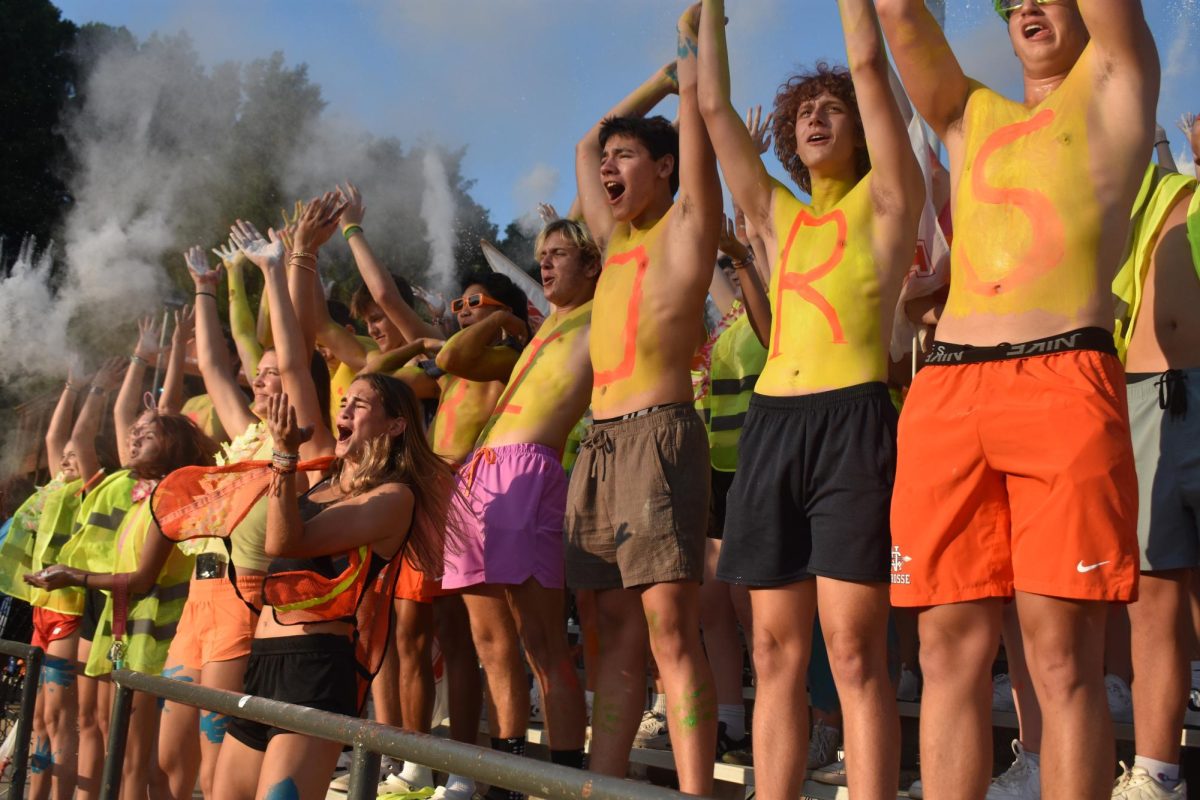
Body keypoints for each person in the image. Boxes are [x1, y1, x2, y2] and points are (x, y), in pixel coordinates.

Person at [875, 0, 1159, 797]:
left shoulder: (1114, 78)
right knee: (944, 653)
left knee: (1063, 654)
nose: (1029, 5)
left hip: (1063, 374)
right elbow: (898, 17)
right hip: (950, 389)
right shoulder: (970, 112)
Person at [697, 2, 922, 797]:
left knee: (855, 650)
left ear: (861, 131)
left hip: (853, 422)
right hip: (772, 430)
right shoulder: (776, 215)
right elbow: (716, 109)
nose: (817, 116)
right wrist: (711, 21)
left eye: (832, 110)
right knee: (772, 653)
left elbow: (869, 69)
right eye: (803, 112)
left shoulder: (889, 201)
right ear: (789, 139)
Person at [568, 4, 722, 791]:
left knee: (668, 625)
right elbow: (582, 142)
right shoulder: (612, 242)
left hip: (661, 431)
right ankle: (602, 782)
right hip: (598, 444)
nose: (607, 167)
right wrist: (653, 84)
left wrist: (689, 60)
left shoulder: (687, 227)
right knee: (611, 632)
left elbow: (697, 118)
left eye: (626, 156)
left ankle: (695, 789)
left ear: (663, 168)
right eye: (608, 160)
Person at [435, 217, 598, 786]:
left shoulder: (599, 315)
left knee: (542, 642)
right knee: (489, 642)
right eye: (541, 256)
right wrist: (503, 316)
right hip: (476, 479)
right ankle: (504, 777)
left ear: (592, 264)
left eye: (559, 254)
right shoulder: (531, 341)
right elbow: (452, 360)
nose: (545, 265)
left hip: (529, 470)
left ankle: (561, 781)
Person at [29, 409, 220, 800]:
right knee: (103, 726)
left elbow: (141, 579)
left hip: (151, 637)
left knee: (135, 756)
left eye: (145, 434)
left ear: (172, 443)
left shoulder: (176, 496)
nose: (132, 440)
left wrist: (73, 576)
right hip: (118, 629)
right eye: (133, 433)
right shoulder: (137, 496)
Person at [1107, 156, 1200, 798]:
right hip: (1139, 400)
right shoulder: (1105, 200)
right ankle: (1156, 775)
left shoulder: (1178, 191)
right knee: (1153, 599)